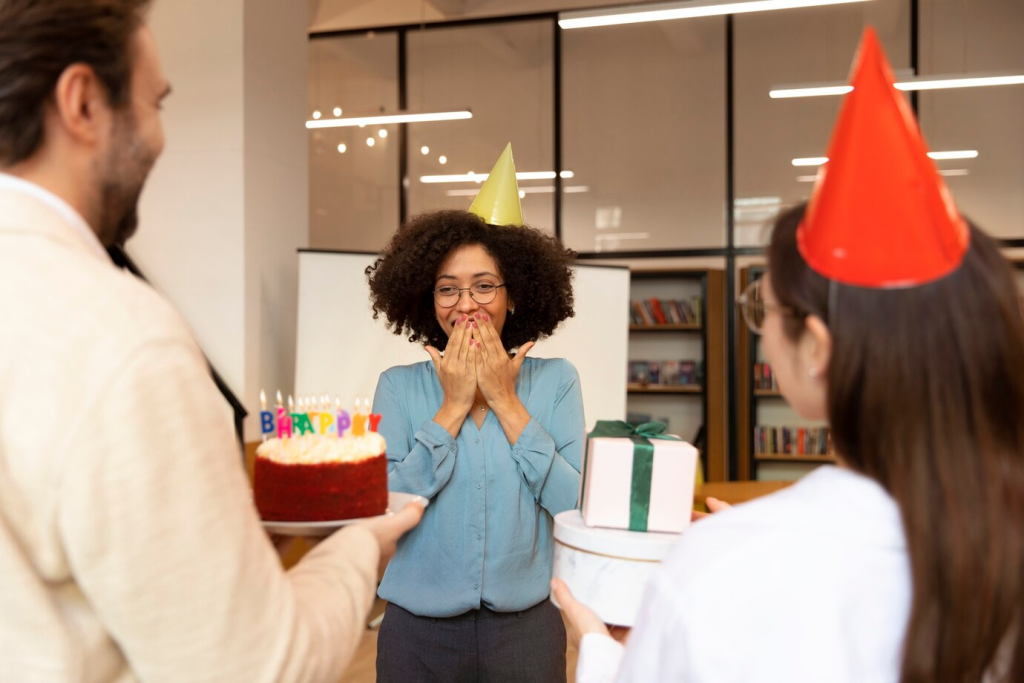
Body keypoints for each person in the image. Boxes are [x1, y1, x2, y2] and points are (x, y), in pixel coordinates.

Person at [554, 28, 1024, 682]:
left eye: (764, 309)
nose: (762, 331)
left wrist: (602, 647)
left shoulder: (721, 569)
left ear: (819, 349)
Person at [0, 1, 421, 680]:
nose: (161, 138)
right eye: (154, 102)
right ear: (81, 103)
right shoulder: (121, 334)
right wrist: (358, 546)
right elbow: (259, 666)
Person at [367, 144, 585, 682]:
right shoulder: (396, 388)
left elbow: (573, 506)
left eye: (484, 286)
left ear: (516, 296)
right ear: (426, 301)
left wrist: (507, 403)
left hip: (526, 630)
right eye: (447, 289)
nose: (466, 304)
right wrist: (452, 407)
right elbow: (383, 511)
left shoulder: (556, 382)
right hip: (416, 633)